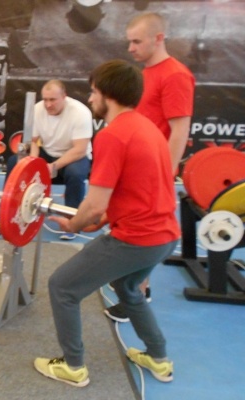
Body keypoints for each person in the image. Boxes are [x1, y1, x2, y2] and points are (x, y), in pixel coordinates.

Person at [33, 59, 180, 387]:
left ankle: (73, 366)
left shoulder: (113, 135)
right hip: (166, 235)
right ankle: (159, 359)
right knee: (127, 288)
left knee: (62, 287)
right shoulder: (148, 128)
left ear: (108, 94)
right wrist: (99, 221)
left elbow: (94, 204)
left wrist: (74, 225)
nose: (90, 99)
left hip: (136, 239)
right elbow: (137, 191)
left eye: (94, 92)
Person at [104, 12, 195, 322]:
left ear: (158, 38)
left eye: (136, 41)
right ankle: (135, 287)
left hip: (154, 174)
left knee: (143, 236)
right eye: (129, 41)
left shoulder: (175, 75)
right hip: (136, 168)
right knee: (127, 229)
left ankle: (137, 296)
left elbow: (179, 129)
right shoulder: (145, 74)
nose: (130, 48)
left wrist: (163, 175)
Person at [0, 80, 93, 240]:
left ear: (64, 97)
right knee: (15, 162)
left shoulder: (80, 112)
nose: (48, 104)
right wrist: (33, 163)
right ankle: (7, 211)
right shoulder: (38, 109)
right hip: (48, 152)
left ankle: (72, 222)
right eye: (45, 99)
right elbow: (35, 142)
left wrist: (54, 166)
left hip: (73, 156)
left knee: (75, 173)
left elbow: (79, 149)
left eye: (53, 100)